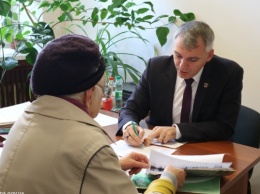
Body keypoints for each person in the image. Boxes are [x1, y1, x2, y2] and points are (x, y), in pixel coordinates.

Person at [0, 34, 185, 194]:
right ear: (89, 94)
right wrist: (168, 180)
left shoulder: (23, 122)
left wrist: (112, 166)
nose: (103, 95)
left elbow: (49, 173)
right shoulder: (91, 145)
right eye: (103, 89)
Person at [117, 20, 244, 147]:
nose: (182, 66)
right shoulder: (156, 68)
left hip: (203, 150)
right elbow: (130, 109)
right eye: (178, 55)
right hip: (157, 146)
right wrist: (129, 126)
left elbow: (224, 127)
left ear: (209, 55)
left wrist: (177, 131)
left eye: (192, 59)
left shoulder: (229, 73)